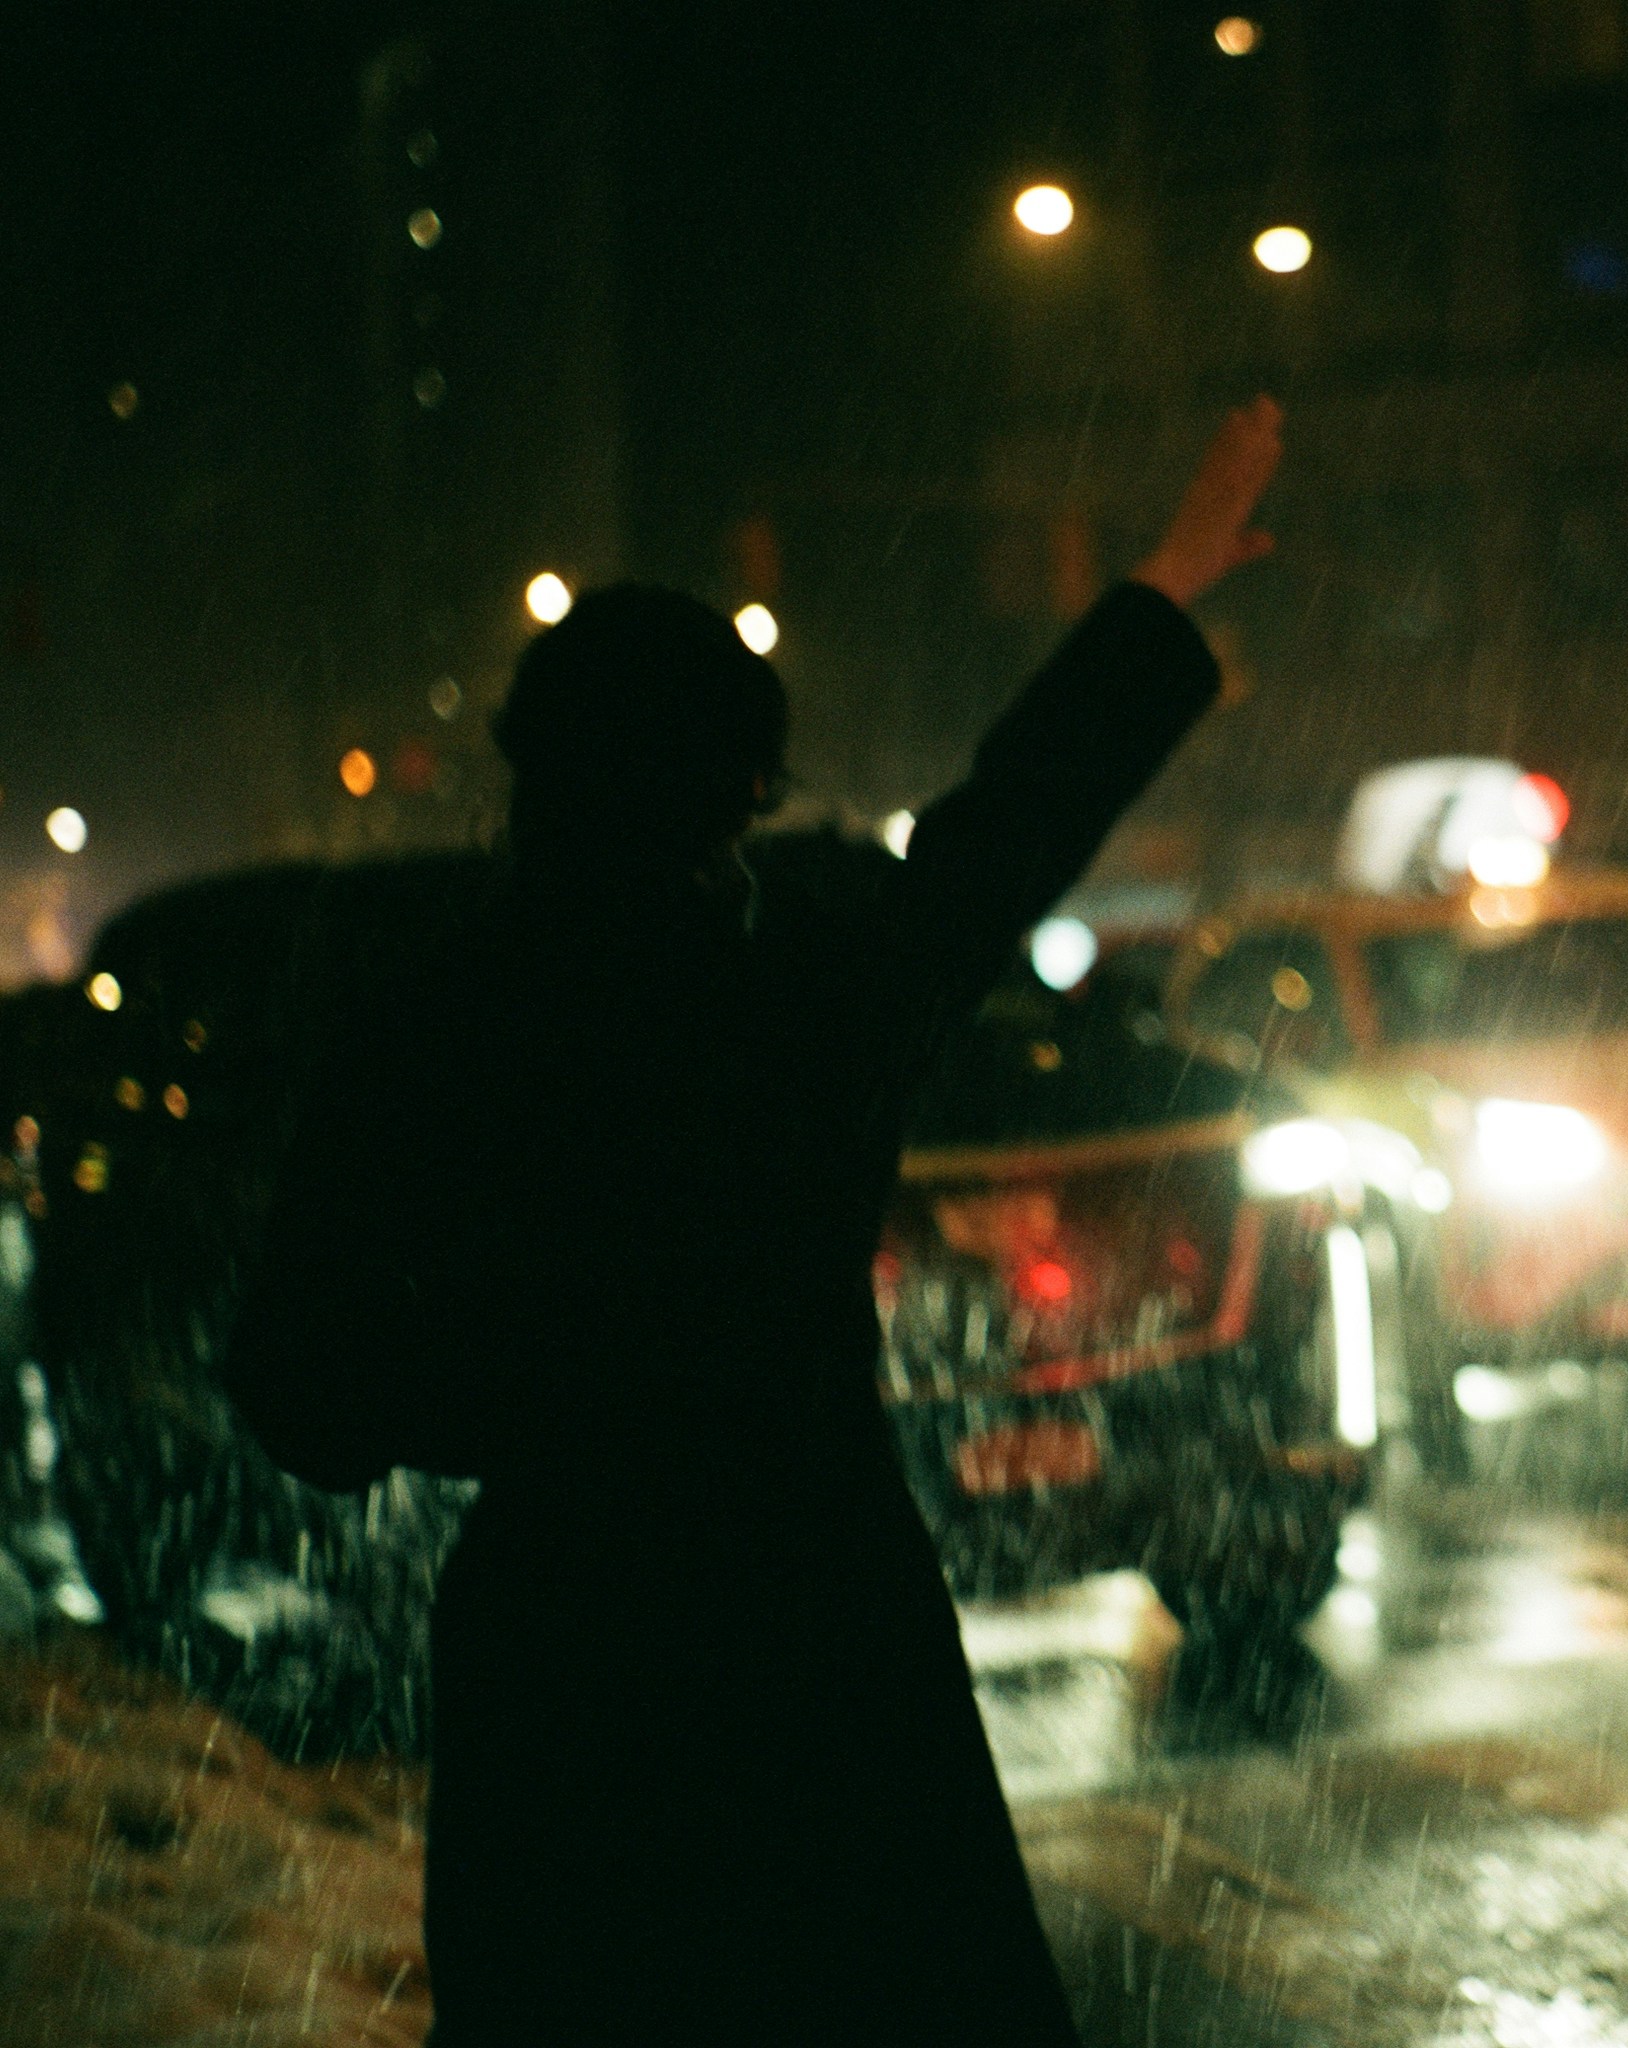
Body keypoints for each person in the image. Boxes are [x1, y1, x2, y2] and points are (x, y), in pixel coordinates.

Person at [223, 399, 1285, 2044]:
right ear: (744, 782)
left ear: (532, 770)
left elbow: (304, 1385)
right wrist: (1163, 590)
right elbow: (1007, 825)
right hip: (821, 1628)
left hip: (568, 1658)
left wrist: (528, 1404)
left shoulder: (435, 1023)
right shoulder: (811, 985)